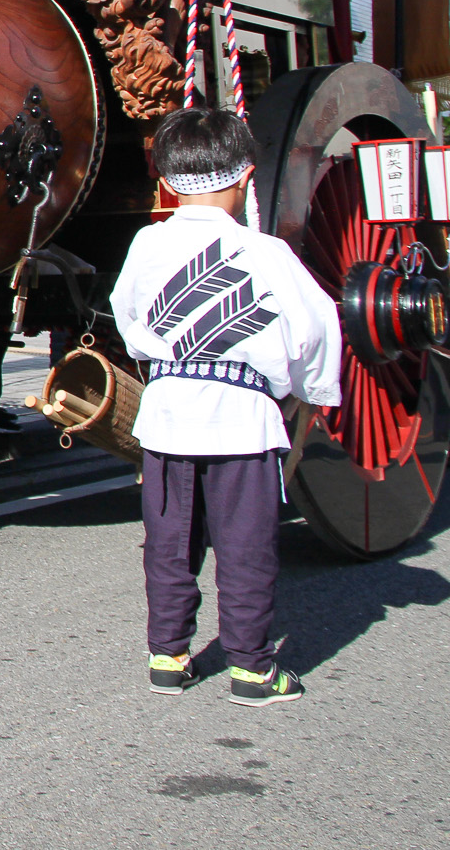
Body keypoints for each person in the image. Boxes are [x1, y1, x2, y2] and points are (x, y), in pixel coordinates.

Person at [108, 107, 339, 707]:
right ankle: (252, 670)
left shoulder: (147, 243)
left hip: (167, 412)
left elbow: (129, 318)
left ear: (166, 181)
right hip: (243, 417)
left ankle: (168, 655)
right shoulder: (266, 254)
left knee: (168, 543)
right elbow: (314, 330)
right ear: (245, 178)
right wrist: (312, 394)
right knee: (246, 546)